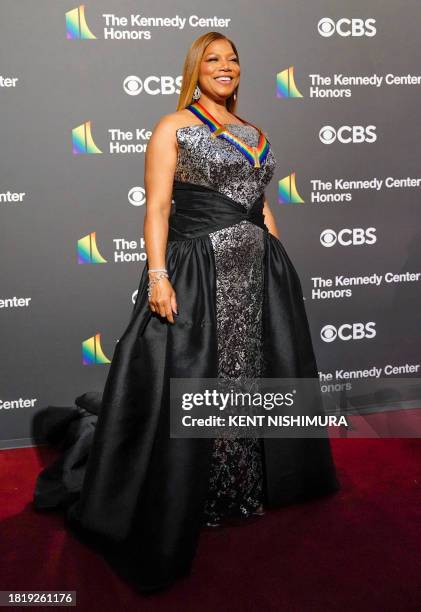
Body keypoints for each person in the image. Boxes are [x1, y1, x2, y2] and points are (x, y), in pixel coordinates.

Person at [33, 31, 340, 592]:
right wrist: (158, 276)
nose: (225, 68)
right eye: (213, 60)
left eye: (233, 60)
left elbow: (258, 201)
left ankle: (245, 484)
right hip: (198, 274)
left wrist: (280, 259)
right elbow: (156, 208)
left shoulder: (254, 133)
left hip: (258, 275)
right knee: (200, 378)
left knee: (249, 376)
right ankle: (193, 492)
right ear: (195, 70)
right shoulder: (174, 126)